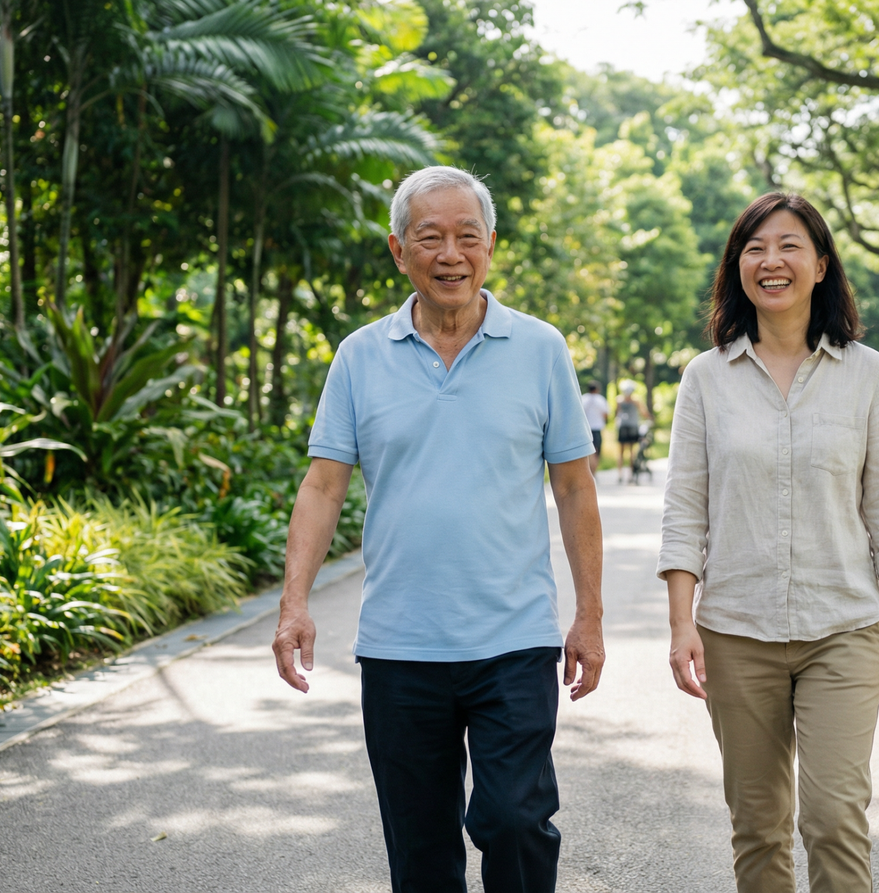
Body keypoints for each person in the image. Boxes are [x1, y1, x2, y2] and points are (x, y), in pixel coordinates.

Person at [271, 166, 605, 893]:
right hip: (400, 646)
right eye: (430, 238)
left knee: (514, 819)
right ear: (399, 251)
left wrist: (590, 615)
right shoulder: (360, 355)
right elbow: (323, 485)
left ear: (491, 245)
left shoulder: (540, 348)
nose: (451, 254)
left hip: (514, 640)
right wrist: (294, 603)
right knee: (419, 852)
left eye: (467, 236)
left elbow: (575, 487)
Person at [659, 192, 879, 892]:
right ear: (737, 267)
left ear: (821, 264)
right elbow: (684, 511)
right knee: (758, 823)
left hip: (843, 627)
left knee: (835, 817)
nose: (770, 261)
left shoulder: (868, 373)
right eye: (755, 248)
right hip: (736, 631)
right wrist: (682, 624)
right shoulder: (705, 377)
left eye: (788, 246)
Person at [614, 381, 649, 484]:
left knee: (621, 452)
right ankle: (630, 474)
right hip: (633, 426)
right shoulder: (636, 401)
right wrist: (650, 417)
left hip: (622, 426)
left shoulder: (619, 400)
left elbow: (616, 413)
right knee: (631, 452)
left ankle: (620, 474)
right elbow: (644, 412)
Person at [581, 381, 609, 475]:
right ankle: (593, 472)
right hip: (597, 428)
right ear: (597, 389)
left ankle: (589, 471)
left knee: (587, 451)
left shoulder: (583, 398)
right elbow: (606, 414)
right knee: (596, 451)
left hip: (585, 428)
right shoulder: (600, 399)